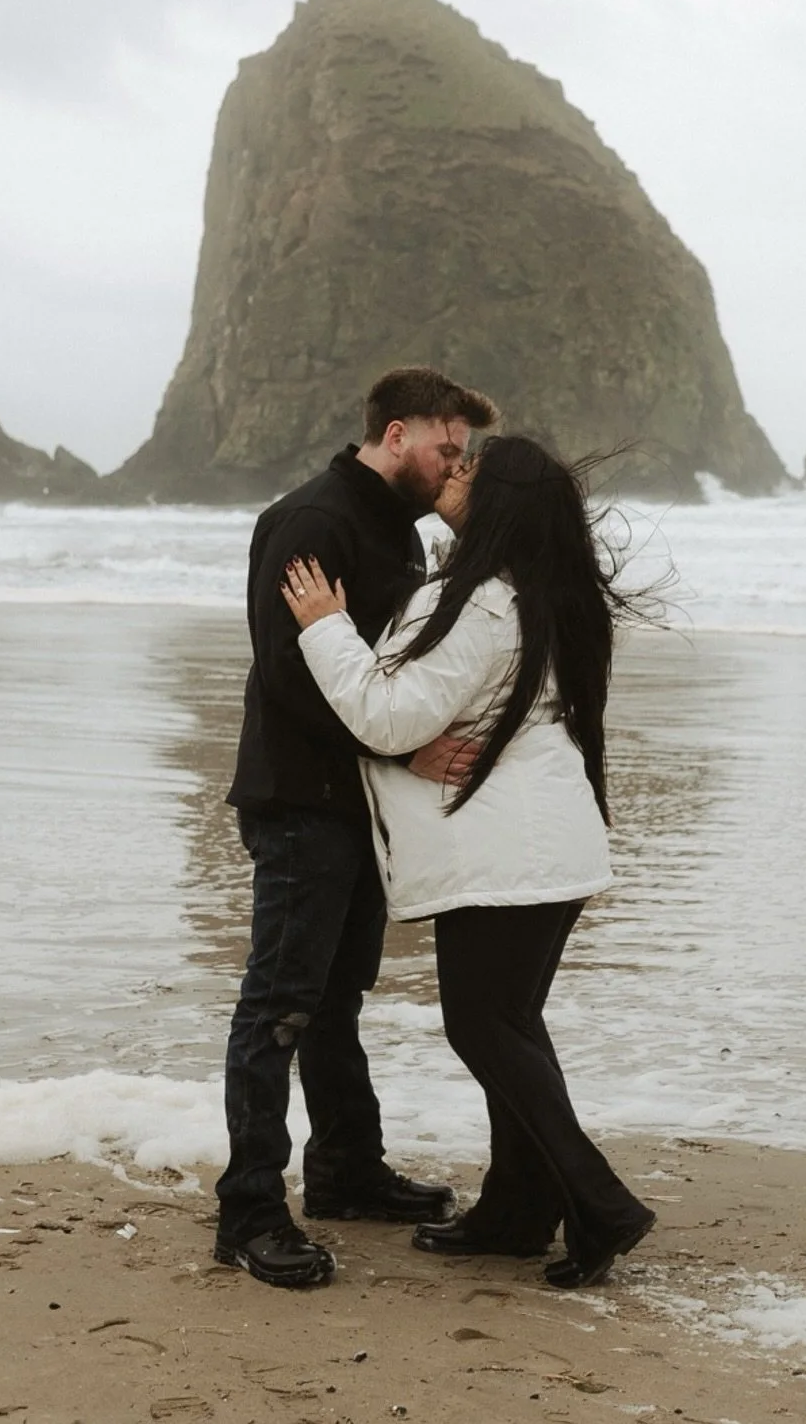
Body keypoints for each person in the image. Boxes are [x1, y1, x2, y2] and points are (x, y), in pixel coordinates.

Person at [280, 434, 656, 1288]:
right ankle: (518, 1212)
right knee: (512, 1029)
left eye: (468, 472)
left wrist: (324, 627)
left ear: (501, 503)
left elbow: (386, 716)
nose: (451, 475)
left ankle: (599, 1204)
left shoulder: (477, 601)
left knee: (484, 1028)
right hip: (547, 845)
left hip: (504, 852)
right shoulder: (544, 595)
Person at [214, 367, 499, 1288]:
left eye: (465, 451)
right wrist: (405, 753)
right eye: (446, 445)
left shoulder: (400, 533)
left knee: (337, 1003)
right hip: (300, 802)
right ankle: (250, 1212)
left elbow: (392, 664)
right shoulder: (313, 522)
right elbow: (291, 673)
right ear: (396, 432)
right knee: (280, 1007)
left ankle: (345, 1172)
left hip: (355, 803)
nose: (456, 462)